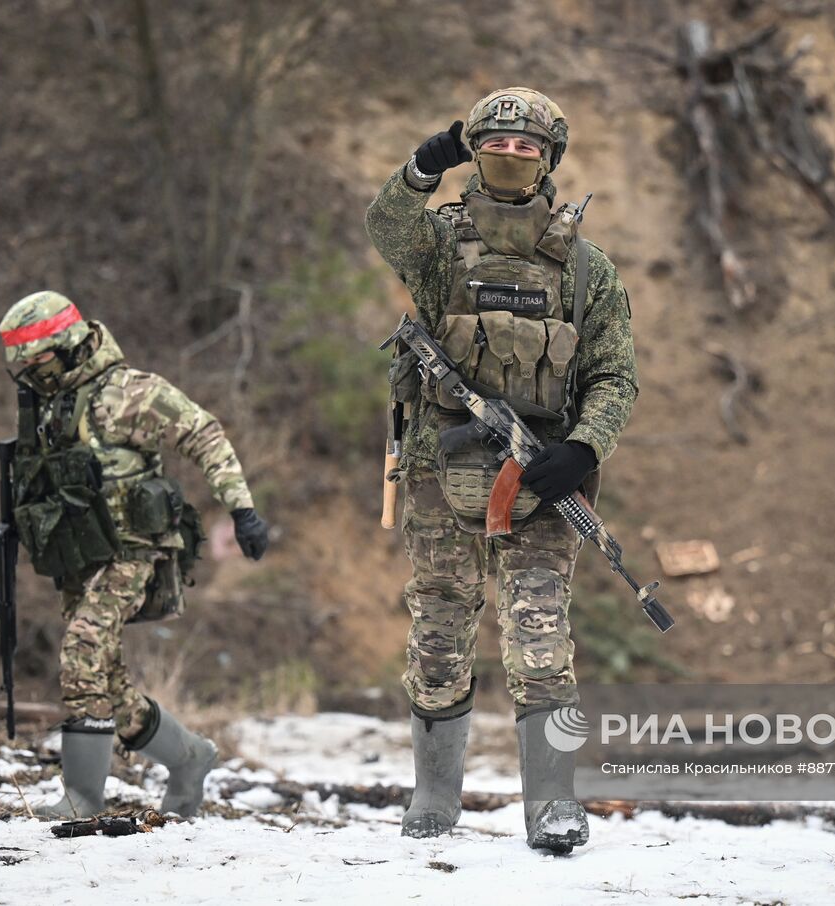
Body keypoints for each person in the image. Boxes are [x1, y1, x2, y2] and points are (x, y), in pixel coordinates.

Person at [365, 88, 638, 852]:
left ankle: (552, 805)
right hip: (437, 470)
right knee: (440, 631)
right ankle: (433, 797)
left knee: (541, 639)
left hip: (544, 482)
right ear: (475, 151)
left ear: (549, 159)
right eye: (496, 144)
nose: (511, 156)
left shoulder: (589, 271)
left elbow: (616, 375)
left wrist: (583, 448)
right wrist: (424, 166)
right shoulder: (437, 247)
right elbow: (384, 225)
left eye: (527, 147)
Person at [0, 290, 270, 818]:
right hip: (81, 554)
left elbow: (203, 433)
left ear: (71, 346)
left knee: (81, 646)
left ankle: (82, 797)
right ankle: (191, 758)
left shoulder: (131, 394)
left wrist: (241, 510)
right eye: (24, 367)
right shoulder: (48, 405)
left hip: (135, 551)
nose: (33, 375)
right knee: (107, 684)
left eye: (40, 362)